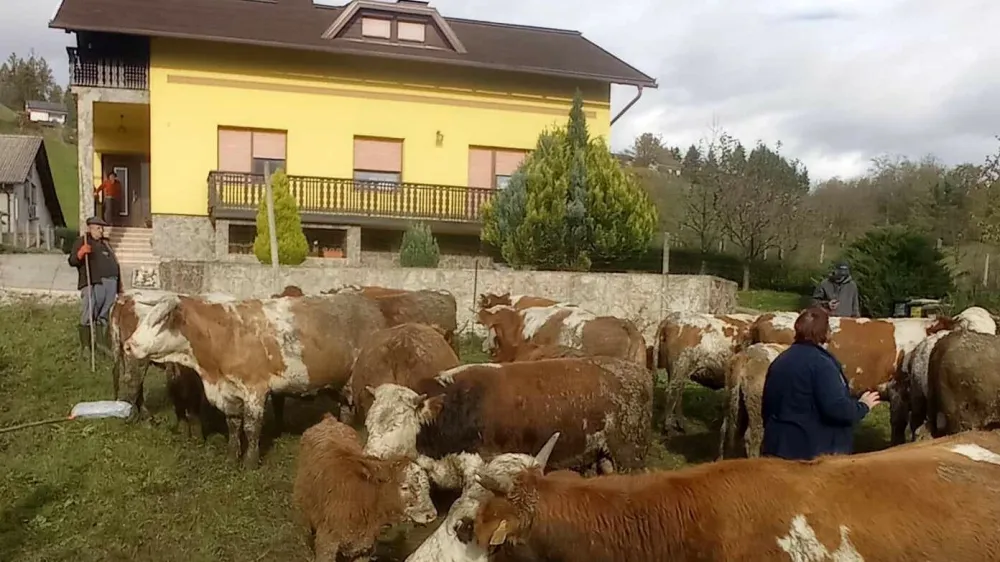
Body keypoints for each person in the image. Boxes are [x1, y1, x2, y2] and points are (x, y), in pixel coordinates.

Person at [760, 306, 880, 461]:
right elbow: (836, 409)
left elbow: (767, 407)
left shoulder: (780, 360)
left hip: (777, 448)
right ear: (825, 333)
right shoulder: (822, 365)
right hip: (811, 456)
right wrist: (863, 406)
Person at [68, 216, 122, 352]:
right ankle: (86, 347)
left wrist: (119, 287)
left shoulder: (106, 244)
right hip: (94, 282)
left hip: (111, 283)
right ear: (90, 228)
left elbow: (115, 264)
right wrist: (81, 253)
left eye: (102, 228)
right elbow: (72, 260)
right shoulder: (83, 241)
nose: (101, 231)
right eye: (98, 228)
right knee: (89, 312)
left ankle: (101, 345)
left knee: (104, 315)